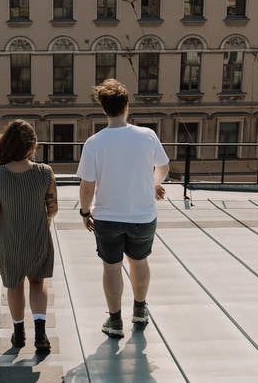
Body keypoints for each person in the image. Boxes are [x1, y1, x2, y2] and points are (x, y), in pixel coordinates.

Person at [77, 79, 170, 338]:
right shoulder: (147, 135)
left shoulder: (94, 142)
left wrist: (86, 212)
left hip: (107, 218)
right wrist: (153, 184)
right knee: (139, 262)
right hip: (142, 215)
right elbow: (163, 167)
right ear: (127, 106)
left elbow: (87, 186)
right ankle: (139, 311)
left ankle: (115, 321)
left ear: (104, 109)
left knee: (111, 267)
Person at [0, 119, 58, 353]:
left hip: (9, 242)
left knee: (14, 286)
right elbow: (53, 207)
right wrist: (41, 223)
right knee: (37, 282)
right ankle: (41, 334)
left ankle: (18, 334)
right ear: (31, 145)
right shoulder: (45, 172)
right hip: (37, 239)